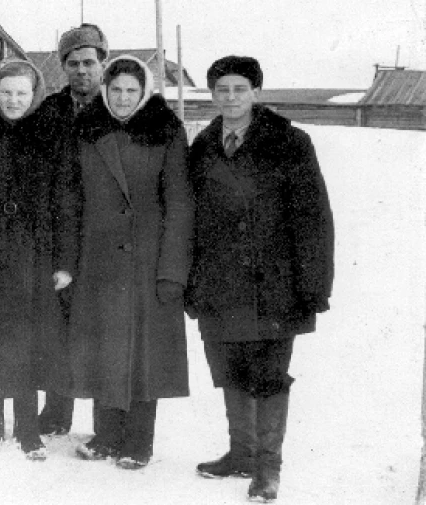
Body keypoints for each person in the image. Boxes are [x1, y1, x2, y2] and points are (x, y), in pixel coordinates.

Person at [186, 56, 334, 501]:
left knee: (269, 375)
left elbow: (314, 218)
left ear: (256, 93)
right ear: (212, 95)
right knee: (229, 369)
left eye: (239, 89)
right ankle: (241, 454)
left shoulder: (289, 142)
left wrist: (313, 285)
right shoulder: (205, 144)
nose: (230, 98)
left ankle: (268, 470)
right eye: (222, 90)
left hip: (275, 284)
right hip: (218, 282)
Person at [66, 55, 193, 470]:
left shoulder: (166, 130)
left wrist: (172, 270)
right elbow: (72, 196)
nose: (122, 99)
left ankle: (139, 442)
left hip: (148, 258)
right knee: (105, 349)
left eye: (131, 91)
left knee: (144, 355)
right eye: (116, 90)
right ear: (105, 90)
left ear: (145, 93)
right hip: (98, 258)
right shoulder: (87, 128)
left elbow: (179, 203)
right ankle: (106, 436)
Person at [0, 60, 79, 461]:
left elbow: (66, 198)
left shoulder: (51, 133)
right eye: (6, 92)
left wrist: (64, 260)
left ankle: (28, 428)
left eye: (21, 93)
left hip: (33, 247)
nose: (13, 100)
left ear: (35, 95)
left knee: (28, 336)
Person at [35, 22, 108, 437]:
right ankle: (56, 410)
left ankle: (104, 420)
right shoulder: (51, 111)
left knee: (99, 329)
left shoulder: (118, 107)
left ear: (104, 63)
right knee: (57, 325)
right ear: (63, 66)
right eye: (73, 63)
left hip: (102, 234)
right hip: (60, 231)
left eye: (89, 62)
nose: (82, 71)